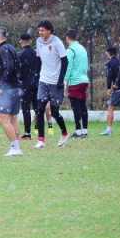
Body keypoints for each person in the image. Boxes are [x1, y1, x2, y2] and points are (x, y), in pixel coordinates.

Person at [35, 20, 70, 149]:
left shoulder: (57, 42)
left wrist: (61, 80)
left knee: (54, 112)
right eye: (39, 30)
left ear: (49, 30)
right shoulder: (38, 41)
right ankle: (41, 140)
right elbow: (38, 59)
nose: (40, 32)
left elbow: (65, 62)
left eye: (42, 30)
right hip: (43, 80)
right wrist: (37, 75)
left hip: (56, 82)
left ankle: (65, 133)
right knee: (40, 109)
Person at [0, 27, 23, 156]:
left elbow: (8, 67)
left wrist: (2, 85)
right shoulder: (11, 48)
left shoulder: (3, 49)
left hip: (8, 89)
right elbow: (17, 67)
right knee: (13, 118)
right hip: (16, 87)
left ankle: (15, 148)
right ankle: (17, 147)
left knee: (3, 118)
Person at [64, 29, 90, 138]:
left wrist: (65, 82)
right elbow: (86, 65)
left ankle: (78, 130)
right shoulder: (82, 49)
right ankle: (85, 130)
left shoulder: (70, 50)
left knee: (75, 107)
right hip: (84, 80)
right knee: (83, 106)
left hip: (75, 81)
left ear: (67, 38)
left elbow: (68, 67)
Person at [18, 33, 40, 140]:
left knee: (26, 109)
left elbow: (18, 72)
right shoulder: (37, 54)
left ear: (21, 41)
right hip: (37, 84)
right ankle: (40, 132)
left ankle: (27, 132)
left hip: (25, 85)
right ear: (31, 41)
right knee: (38, 109)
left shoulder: (20, 55)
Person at [101, 46, 120, 136]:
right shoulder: (119, 61)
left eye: (106, 53)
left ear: (109, 53)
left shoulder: (110, 63)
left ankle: (109, 129)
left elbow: (109, 77)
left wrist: (109, 88)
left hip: (117, 88)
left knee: (110, 107)